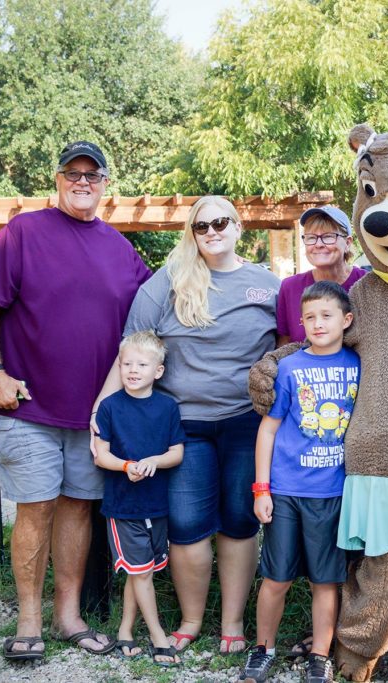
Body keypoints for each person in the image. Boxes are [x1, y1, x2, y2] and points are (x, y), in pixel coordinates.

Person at [0, 140, 151, 661]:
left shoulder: (119, 247)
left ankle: (67, 615)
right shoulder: (23, 232)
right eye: (74, 173)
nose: (83, 182)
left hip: (94, 414)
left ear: (105, 184)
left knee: (76, 509)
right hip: (28, 406)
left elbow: (158, 304)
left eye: (93, 175)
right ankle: (29, 619)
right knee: (37, 508)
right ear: (58, 179)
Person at [95, 195, 280, 655]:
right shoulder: (167, 283)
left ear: (239, 227)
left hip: (245, 422)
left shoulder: (267, 285)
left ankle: (233, 624)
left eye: (221, 222)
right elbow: (129, 351)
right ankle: (192, 620)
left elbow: (289, 349)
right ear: (191, 234)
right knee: (187, 523)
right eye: (201, 226)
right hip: (184, 426)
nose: (212, 231)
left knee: (239, 522)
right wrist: (98, 417)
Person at [241, 280, 360, 683]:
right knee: (277, 577)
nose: (317, 323)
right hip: (288, 491)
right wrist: (262, 488)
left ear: (346, 320)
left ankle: (320, 656)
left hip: (333, 492)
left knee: (326, 580)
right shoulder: (289, 367)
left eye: (326, 316)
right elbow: (269, 430)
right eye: (309, 317)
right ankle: (263, 649)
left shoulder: (358, 365)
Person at [92, 331, 185, 667]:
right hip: (123, 505)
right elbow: (101, 456)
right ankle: (159, 637)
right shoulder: (109, 407)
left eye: (141, 364)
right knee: (142, 572)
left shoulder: (167, 407)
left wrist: (153, 462)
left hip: (155, 503)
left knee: (141, 571)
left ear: (157, 371)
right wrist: (127, 465)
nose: (132, 369)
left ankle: (126, 631)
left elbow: (177, 452)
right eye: (126, 363)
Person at [275, 205, 367, 346]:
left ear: (348, 243)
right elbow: (283, 344)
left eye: (328, 236)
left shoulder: (367, 283)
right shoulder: (290, 287)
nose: (318, 244)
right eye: (311, 238)